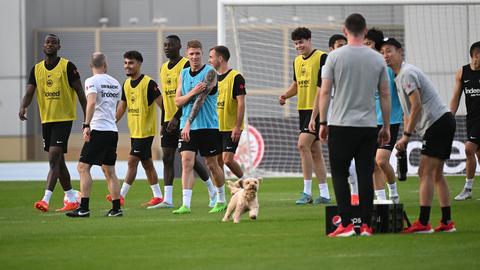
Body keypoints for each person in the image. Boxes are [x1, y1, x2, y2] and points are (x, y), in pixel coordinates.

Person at [318, 14, 391, 237]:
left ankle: (347, 224)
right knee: (365, 173)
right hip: (368, 125)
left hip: (340, 124)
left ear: (344, 29)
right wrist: (386, 126)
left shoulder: (334, 57)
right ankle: (367, 225)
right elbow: (385, 94)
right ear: (366, 31)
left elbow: (325, 92)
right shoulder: (377, 59)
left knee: (340, 174)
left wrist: (322, 121)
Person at [381, 37, 456, 233]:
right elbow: (408, 112)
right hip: (441, 122)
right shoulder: (399, 76)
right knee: (436, 174)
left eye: (389, 51)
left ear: (400, 52)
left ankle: (423, 223)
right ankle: (447, 222)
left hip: (437, 123)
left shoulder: (407, 74)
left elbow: (416, 106)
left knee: (425, 172)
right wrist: (404, 137)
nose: (385, 56)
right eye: (383, 52)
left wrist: (406, 136)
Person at [19, 34, 87, 212]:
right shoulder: (37, 69)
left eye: (53, 42)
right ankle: (72, 198)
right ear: (44, 46)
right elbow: (29, 92)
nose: (49, 45)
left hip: (63, 119)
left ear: (58, 46)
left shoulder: (67, 66)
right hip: (47, 119)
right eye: (47, 42)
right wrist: (23, 107)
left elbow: (80, 92)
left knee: (53, 156)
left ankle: (46, 199)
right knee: (59, 161)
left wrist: (88, 117)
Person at [149, 35, 217, 209]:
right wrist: (165, 119)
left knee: (189, 159)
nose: (166, 47)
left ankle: (211, 188)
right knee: (168, 157)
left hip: (183, 119)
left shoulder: (187, 65)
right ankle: (168, 199)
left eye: (170, 45)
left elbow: (192, 97)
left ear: (179, 47)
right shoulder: (164, 68)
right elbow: (168, 98)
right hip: (169, 119)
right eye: (165, 45)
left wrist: (177, 117)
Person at [66, 52, 123, 218]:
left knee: (83, 167)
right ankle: (116, 209)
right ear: (105, 65)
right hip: (112, 130)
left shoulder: (91, 81)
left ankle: (83, 208)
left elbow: (91, 103)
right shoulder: (115, 83)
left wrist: (86, 125)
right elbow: (117, 106)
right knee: (110, 171)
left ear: (91, 66)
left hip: (98, 129)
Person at [279, 27, 331, 205]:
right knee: (315, 151)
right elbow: (296, 84)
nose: (298, 46)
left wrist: (313, 116)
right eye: (295, 43)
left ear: (309, 40)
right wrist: (286, 95)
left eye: (301, 42)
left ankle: (307, 192)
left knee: (302, 145)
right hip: (303, 110)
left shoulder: (322, 58)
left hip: (317, 110)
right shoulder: (297, 61)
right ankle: (324, 194)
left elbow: (321, 89)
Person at [173, 40, 226, 214]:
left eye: (198, 53)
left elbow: (201, 100)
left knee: (212, 164)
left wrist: (188, 121)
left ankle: (221, 199)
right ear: (187, 55)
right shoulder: (183, 73)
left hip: (207, 126)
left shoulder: (210, 73)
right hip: (187, 126)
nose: (194, 57)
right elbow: (177, 101)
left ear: (202, 54)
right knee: (186, 162)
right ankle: (185, 205)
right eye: (191, 54)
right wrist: (192, 92)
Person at [114, 50, 164, 208]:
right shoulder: (126, 84)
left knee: (132, 161)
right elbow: (122, 107)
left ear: (139, 64)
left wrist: (166, 124)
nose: (127, 66)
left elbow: (163, 105)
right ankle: (157, 196)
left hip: (146, 131)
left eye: (131, 63)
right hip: (134, 131)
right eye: (125, 63)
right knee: (147, 163)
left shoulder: (149, 83)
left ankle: (120, 196)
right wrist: (111, 122)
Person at [364, 28, 402, 203]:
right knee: (371, 165)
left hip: (390, 121)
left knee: (381, 160)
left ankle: (393, 193)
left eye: (369, 44)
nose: (366, 47)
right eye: (364, 44)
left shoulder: (389, 69)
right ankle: (380, 199)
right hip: (370, 122)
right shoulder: (366, 68)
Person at [208, 45, 246, 179]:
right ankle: (220, 196)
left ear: (220, 58)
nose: (209, 60)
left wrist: (237, 126)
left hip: (231, 127)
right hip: (215, 126)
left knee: (227, 159)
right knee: (216, 162)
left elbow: (241, 103)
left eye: (211, 57)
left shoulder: (236, 77)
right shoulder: (213, 78)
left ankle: (245, 182)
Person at [450, 41, 480, 201]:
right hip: (471, 118)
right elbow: (456, 97)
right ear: (475, 55)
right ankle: (468, 189)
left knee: (469, 149)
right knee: (478, 154)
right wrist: (450, 115)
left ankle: (467, 188)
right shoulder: (462, 72)